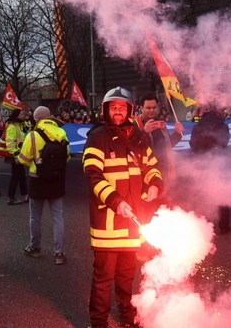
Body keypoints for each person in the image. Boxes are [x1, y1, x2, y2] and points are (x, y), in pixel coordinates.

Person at [83, 87, 163, 328]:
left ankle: (128, 316)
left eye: (121, 107)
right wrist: (116, 201)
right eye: (113, 107)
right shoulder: (97, 137)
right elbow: (93, 175)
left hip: (133, 225)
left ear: (129, 110)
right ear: (106, 110)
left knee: (127, 276)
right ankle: (99, 323)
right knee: (103, 279)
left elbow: (152, 166)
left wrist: (155, 183)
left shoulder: (139, 137)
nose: (117, 111)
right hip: (108, 226)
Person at [17, 106, 69, 264]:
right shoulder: (61, 132)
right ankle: (59, 253)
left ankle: (35, 247)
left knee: (35, 217)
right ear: (50, 117)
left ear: (36, 119)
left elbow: (23, 160)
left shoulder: (32, 135)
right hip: (57, 180)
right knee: (58, 217)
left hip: (37, 179)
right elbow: (66, 157)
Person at [188, 105, 231, 234]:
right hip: (220, 164)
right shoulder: (223, 126)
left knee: (203, 195)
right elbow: (225, 142)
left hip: (203, 165)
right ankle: (224, 226)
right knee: (223, 195)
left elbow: (193, 146)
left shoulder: (197, 127)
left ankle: (204, 226)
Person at [137, 93, 183, 198]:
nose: (151, 110)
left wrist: (177, 133)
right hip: (146, 175)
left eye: (154, 107)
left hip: (164, 172)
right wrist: (144, 132)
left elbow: (167, 145)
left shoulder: (160, 124)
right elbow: (133, 146)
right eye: (148, 108)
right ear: (141, 108)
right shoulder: (135, 124)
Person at [0, 108, 28, 205]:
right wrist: (16, 154)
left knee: (20, 176)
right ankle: (12, 197)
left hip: (18, 155)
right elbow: (10, 143)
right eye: (21, 114)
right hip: (15, 156)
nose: (23, 116)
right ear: (16, 115)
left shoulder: (17, 126)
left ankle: (24, 195)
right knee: (16, 176)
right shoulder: (12, 127)